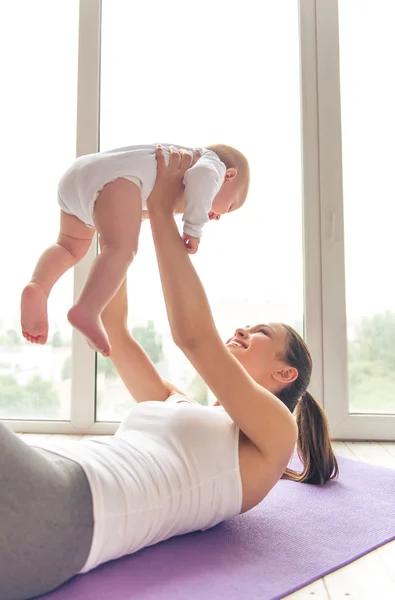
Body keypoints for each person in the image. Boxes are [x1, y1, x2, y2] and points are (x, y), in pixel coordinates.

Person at [1, 148, 338, 600]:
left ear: (285, 371)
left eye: (260, 332)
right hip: (50, 474)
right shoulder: (179, 403)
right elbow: (116, 334)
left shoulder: (273, 436)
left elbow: (194, 338)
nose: (242, 328)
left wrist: (162, 209)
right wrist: (118, 215)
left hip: (60, 512)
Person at [20, 143, 250, 357]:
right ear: (229, 176)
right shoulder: (211, 167)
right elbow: (202, 179)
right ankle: (87, 309)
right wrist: (193, 228)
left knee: (69, 247)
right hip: (115, 178)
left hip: (78, 177)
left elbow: (140, 211)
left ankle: (39, 286)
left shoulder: (174, 169)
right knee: (121, 249)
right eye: (229, 207)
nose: (219, 216)